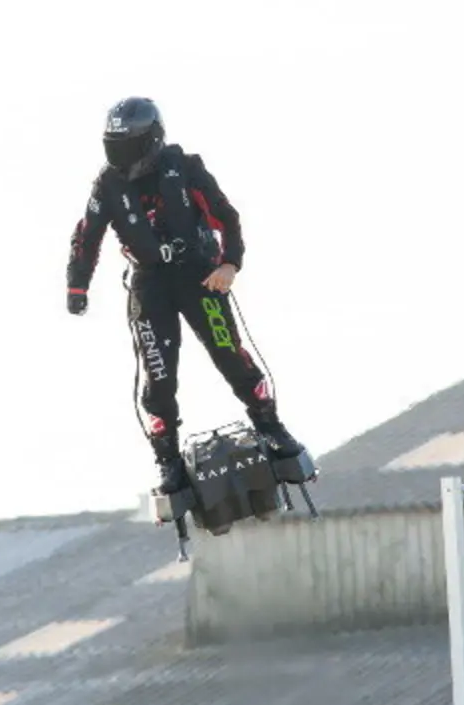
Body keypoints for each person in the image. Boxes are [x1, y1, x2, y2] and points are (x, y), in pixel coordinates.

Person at [65, 96, 306, 494]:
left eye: (128, 145)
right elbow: (86, 236)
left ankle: (272, 428)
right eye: (114, 145)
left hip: (200, 276)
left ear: (152, 140)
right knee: (157, 378)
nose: (120, 155)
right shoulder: (107, 184)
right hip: (149, 284)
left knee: (230, 353)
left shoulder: (187, 167)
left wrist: (230, 264)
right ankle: (168, 462)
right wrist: (77, 285)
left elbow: (226, 217)